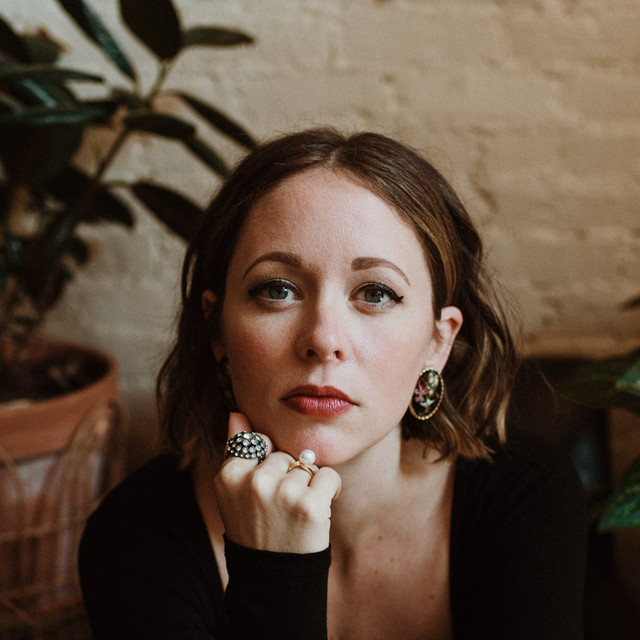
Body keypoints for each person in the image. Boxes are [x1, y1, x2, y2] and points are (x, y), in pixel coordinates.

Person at [78, 128, 587, 639]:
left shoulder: (528, 499)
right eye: (278, 290)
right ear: (217, 331)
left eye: (376, 293)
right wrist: (275, 571)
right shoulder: (135, 536)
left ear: (437, 342)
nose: (323, 339)